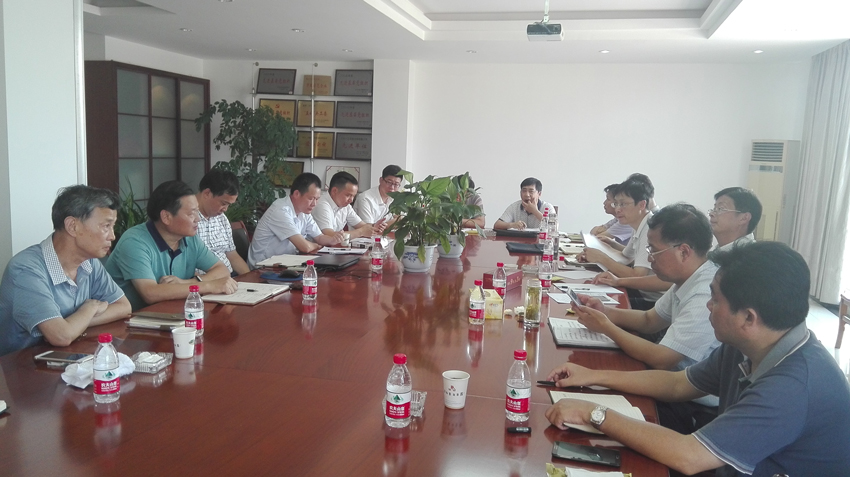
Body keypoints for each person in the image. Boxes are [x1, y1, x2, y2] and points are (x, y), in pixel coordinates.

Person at [545, 241, 850, 476]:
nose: (708, 306)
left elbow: (689, 456)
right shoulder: (749, 344)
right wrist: (594, 376)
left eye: (715, 299)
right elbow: (678, 384)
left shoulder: (794, 387)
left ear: (748, 318)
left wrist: (594, 413)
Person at [573, 204, 721, 431]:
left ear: (683, 252)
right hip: (667, 383)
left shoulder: (704, 293)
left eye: (654, 250)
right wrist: (606, 312)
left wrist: (606, 327)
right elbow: (649, 320)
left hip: (690, 406)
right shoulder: (688, 278)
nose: (650, 259)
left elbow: (662, 359)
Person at [0, 185, 132, 356]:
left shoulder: (89, 262)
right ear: (72, 226)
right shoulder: (25, 269)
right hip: (23, 366)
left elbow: (124, 307)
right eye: (106, 226)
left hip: (69, 358)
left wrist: (74, 324)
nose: (112, 236)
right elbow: (61, 336)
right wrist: (88, 309)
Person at [107, 180, 237, 310]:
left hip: (171, 312)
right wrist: (208, 286)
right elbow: (150, 293)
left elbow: (222, 270)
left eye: (197, 211)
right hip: (131, 318)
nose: (197, 219)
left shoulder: (190, 239)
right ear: (166, 217)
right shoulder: (134, 242)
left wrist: (189, 282)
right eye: (191, 213)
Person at [581, 178, 666, 308]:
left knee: (592, 304)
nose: (618, 209)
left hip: (653, 301)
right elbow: (627, 255)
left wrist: (601, 258)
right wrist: (610, 244)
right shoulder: (638, 224)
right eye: (616, 204)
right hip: (641, 293)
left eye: (623, 204)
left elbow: (637, 275)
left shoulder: (650, 228)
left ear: (642, 205)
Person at [248, 173, 343, 267]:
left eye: (317, 199)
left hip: (286, 263)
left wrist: (333, 240)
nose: (314, 203)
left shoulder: (304, 212)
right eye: (311, 198)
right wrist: (316, 245)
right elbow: (305, 247)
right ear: (296, 194)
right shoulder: (280, 210)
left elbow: (319, 237)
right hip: (262, 268)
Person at [195, 169, 250, 276]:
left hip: (229, 277)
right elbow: (184, 266)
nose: (225, 209)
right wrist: (204, 282)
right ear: (207, 193)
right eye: (223, 203)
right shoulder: (186, 219)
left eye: (229, 205)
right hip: (204, 280)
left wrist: (249, 278)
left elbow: (232, 255)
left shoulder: (221, 218)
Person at [311, 171, 374, 242]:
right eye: (348, 195)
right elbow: (330, 235)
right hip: (316, 247)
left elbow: (364, 226)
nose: (351, 200)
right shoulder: (321, 205)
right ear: (334, 191)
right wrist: (361, 232)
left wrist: (375, 227)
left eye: (353, 196)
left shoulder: (346, 206)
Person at [709, 187, 761, 251]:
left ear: (744, 218)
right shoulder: (717, 252)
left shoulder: (753, 254)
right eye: (714, 209)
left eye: (720, 209)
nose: (711, 214)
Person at [354, 165, 401, 232]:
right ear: (381, 180)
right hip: (363, 237)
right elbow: (369, 229)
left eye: (396, 184)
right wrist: (390, 224)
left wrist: (386, 225)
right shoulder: (365, 198)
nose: (392, 187)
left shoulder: (395, 198)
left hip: (385, 236)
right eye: (389, 182)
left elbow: (401, 220)